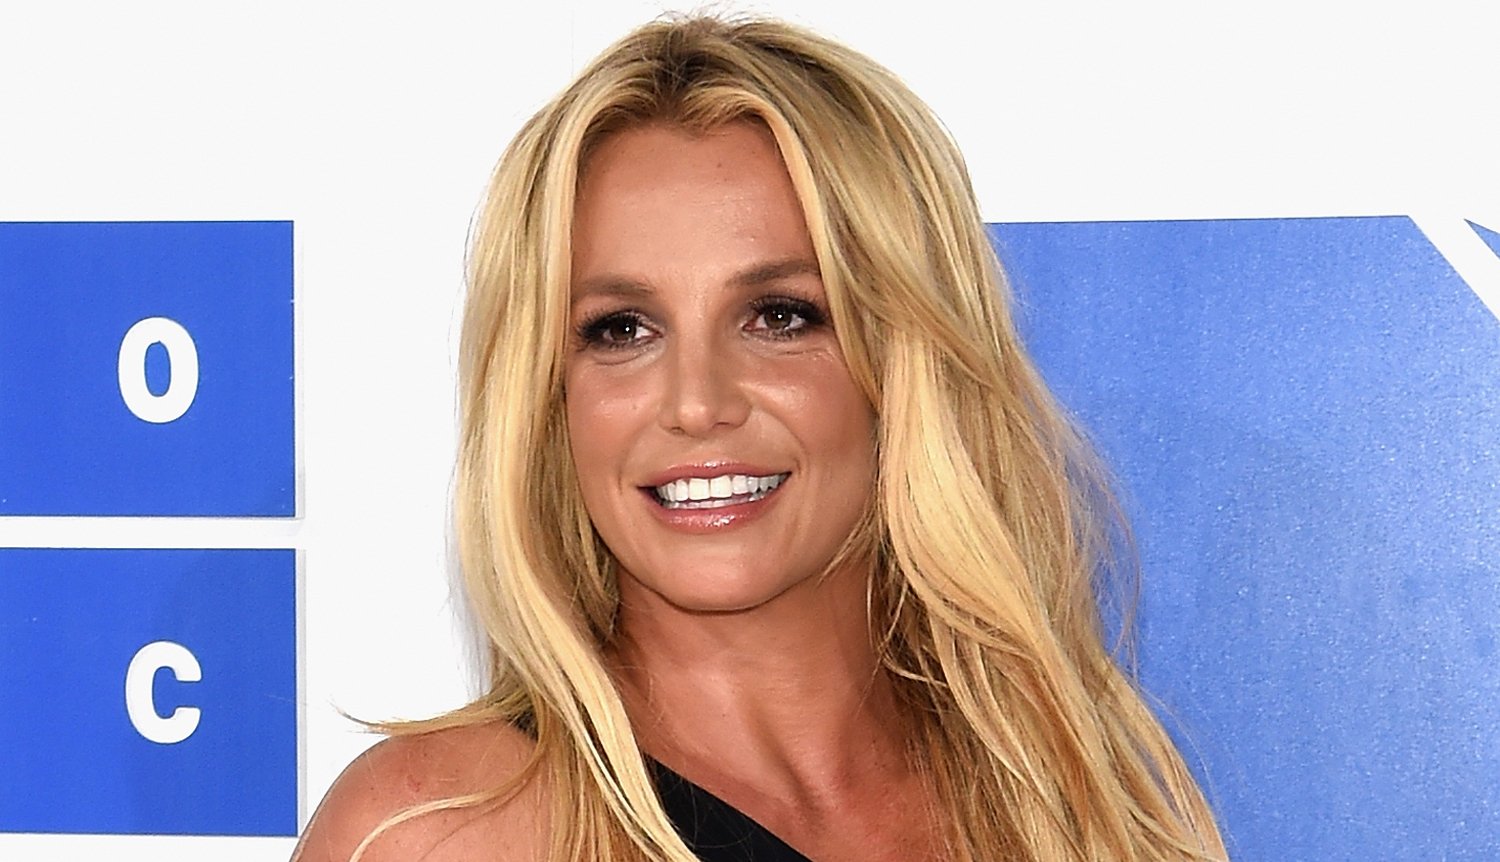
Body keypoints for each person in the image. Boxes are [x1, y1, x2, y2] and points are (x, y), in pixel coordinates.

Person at [295, 14, 1228, 862]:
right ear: (549, 400)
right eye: (621, 329)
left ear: (904, 362)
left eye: (780, 316)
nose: (697, 403)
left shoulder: (1077, 802)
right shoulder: (440, 831)